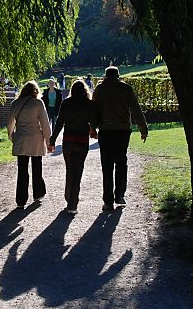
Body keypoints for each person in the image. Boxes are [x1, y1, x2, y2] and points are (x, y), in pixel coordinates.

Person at [92, 66, 148, 212]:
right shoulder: (126, 89)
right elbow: (135, 109)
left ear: (105, 75)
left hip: (105, 130)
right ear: (118, 75)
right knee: (121, 162)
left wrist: (93, 128)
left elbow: (94, 111)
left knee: (107, 165)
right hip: (122, 131)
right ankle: (120, 195)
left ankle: (108, 201)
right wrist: (143, 129)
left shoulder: (100, 89)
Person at [48, 80, 97, 214]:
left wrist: (52, 140)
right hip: (82, 140)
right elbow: (94, 121)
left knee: (70, 169)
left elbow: (59, 122)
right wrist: (93, 130)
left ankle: (68, 196)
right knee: (78, 170)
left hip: (68, 140)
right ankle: (72, 203)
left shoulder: (66, 103)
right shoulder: (89, 104)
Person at [7, 81, 51, 208]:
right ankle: (38, 193)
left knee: (22, 170)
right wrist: (48, 139)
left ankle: (21, 200)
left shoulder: (16, 103)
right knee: (37, 167)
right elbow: (44, 123)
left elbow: (10, 122)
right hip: (36, 139)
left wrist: (11, 135)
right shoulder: (37, 103)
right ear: (35, 91)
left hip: (21, 137)